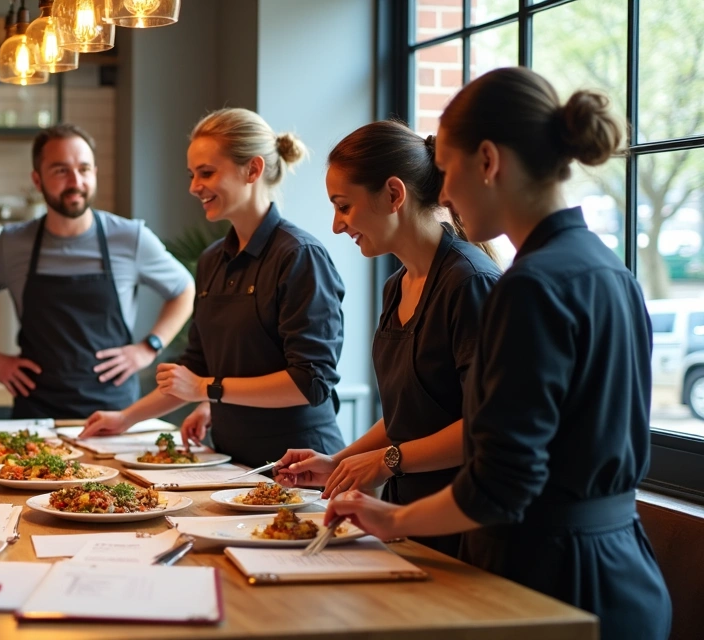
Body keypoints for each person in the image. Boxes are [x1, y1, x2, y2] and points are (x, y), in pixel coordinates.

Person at [323, 67, 670, 638]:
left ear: (488, 161)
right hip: (623, 572)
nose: (444, 193)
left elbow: (499, 481)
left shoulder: (528, 286)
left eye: (448, 170)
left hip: (549, 578)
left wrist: (394, 518)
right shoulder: (610, 268)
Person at [272, 120, 501, 558]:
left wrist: (386, 460)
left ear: (394, 194)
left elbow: (485, 428)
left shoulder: (470, 283)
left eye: (344, 206)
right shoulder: (396, 285)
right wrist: (339, 462)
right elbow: (408, 415)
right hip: (407, 514)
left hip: (461, 523)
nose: (336, 226)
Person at [82, 108, 347, 465]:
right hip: (232, 461)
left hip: (301, 465)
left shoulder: (300, 256)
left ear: (253, 170)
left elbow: (310, 382)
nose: (194, 187)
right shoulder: (212, 260)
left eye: (206, 173)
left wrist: (209, 390)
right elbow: (195, 367)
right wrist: (125, 419)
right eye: (192, 175)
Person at [0, 124, 195, 419]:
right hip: (36, 415)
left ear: (94, 173)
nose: (76, 181)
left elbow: (184, 289)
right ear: (37, 180)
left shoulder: (130, 238)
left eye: (84, 169)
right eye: (61, 170)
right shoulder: (12, 244)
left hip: (115, 414)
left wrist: (149, 347)